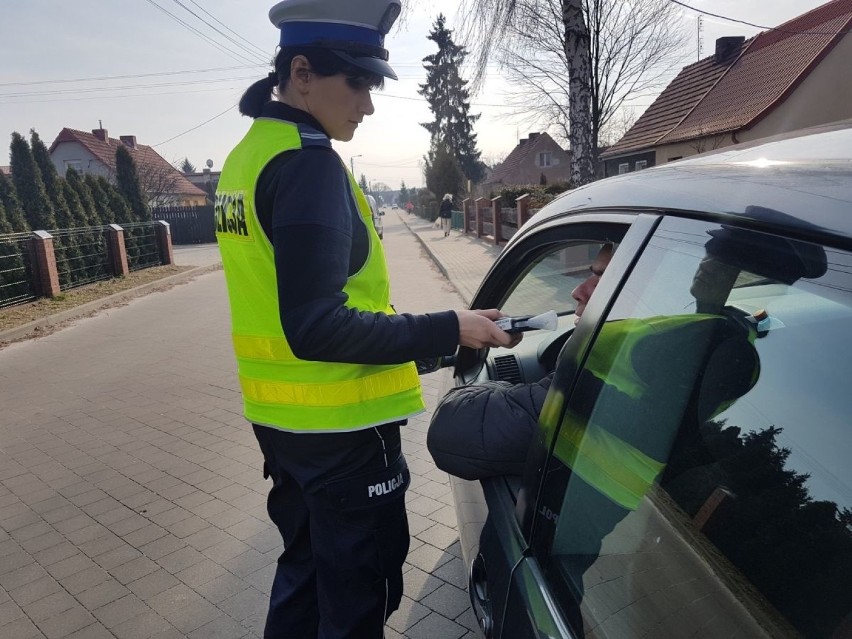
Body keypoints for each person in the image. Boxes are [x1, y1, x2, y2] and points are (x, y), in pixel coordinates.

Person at [214, 1, 520, 637]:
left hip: (285, 425)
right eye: (356, 82)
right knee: (357, 600)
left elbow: (304, 306)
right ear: (302, 72)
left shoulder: (250, 155)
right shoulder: (307, 163)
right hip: (342, 435)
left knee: (304, 578)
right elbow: (317, 325)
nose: (368, 104)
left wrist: (436, 336)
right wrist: (446, 327)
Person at [427, 244, 614, 479]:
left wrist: (500, 387)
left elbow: (451, 430)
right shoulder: (654, 355)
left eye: (604, 280)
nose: (577, 291)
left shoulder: (611, 364)